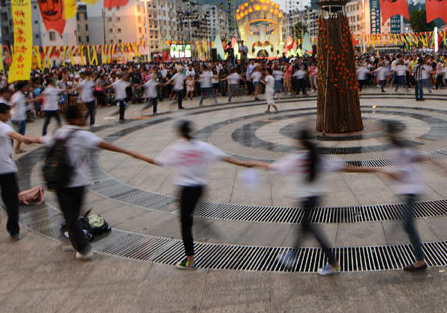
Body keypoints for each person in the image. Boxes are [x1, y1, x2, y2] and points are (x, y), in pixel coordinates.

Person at [250, 128, 376, 276]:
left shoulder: (298, 158)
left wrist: (252, 163)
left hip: (306, 200)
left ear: (300, 143)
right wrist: (374, 169)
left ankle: (333, 262)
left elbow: (274, 167)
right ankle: (293, 254)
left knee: (312, 229)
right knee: (304, 227)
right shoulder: (319, 158)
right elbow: (346, 167)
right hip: (314, 199)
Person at [42, 104, 152, 260]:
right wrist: (130, 152)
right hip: (78, 183)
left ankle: (79, 245)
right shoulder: (81, 135)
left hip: (60, 182)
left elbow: (42, 140)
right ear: (74, 119)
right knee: (73, 217)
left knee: (71, 217)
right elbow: (104, 144)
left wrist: (23, 139)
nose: (85, 118)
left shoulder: (59, 132)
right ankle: (83, 248)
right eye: (83, 115)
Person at [151, 120, 252, 268]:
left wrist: (133, 154)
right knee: (194, 216)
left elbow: (157, 161)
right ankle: (204, 229)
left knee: (185, 224)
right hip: (200, 188)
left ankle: (190, 261)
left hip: (185, 190)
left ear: (179, 133)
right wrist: (243, 164)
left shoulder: (177, 149)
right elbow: (224, 157)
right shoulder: (202, 146)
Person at [379, 121, 443, 272]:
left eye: (386, 134)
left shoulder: (400, 150)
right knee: (404, 223)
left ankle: (419, 260)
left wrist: (388, 174)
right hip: (409, 191)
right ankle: (398, 251)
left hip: (411, 191)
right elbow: (424, 157)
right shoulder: (401, 148)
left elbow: (403, 173)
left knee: (407, 225)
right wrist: (443, 167)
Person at [0, 103, 41, 240]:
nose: (10, 115)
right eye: (8, 112)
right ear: (0, 114)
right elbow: (23, 139)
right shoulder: (1, 126)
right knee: (11, 200)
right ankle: (13, 230)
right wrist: (41, 140)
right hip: (4, 169)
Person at [10, 83, 29, 154]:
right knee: (21, 134)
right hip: (19, 117)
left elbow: (23, 101)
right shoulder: (18, 95)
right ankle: (17, 149)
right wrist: (9, 109)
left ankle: (17, 148)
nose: (26, 88)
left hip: (18, 116)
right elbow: (13, 103)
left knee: (19, 134)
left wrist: (34, 100)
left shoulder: (18, 95)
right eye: (25, 87)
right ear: (21, 88)